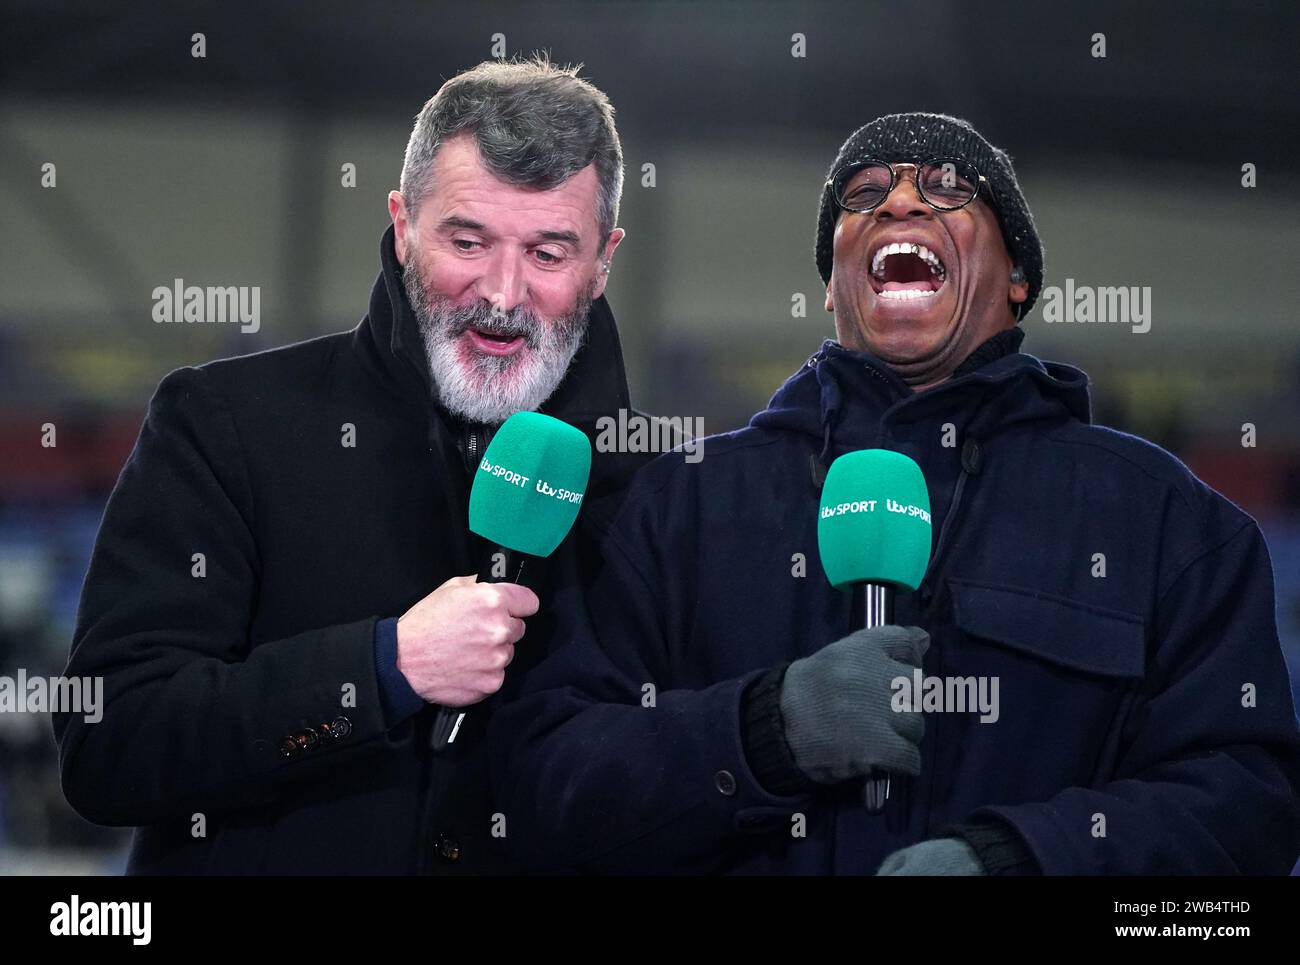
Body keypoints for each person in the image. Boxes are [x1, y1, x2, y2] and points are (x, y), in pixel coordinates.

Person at [491, 112, 1300, 874]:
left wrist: (1023, 858)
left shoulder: (1165, 521)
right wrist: (763, 734)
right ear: (833, 286)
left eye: (948, 186)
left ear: (1018, 277)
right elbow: (545, 780)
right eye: (863, 194)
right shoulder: (680, 505)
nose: (901, 201)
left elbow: (1244, 804)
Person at [54, 56, 650, 874]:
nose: (504, 294)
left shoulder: (660, 488)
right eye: (467, 240)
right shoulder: (227, 424)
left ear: (604, 258)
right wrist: (379, 668)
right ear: (403, 223)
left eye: (549, 253)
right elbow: (109, 743)